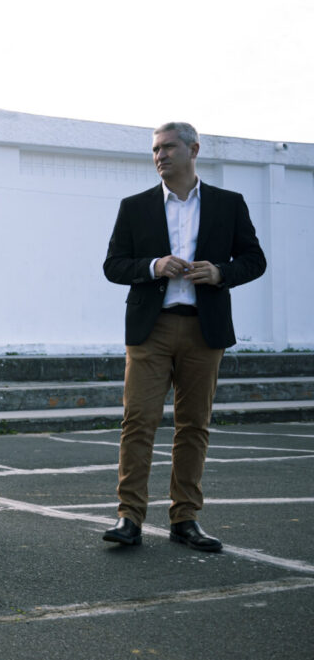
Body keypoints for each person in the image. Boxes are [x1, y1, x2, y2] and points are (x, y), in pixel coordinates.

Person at [102, 122, 266, 552]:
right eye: (155, 149)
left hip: (203, 327)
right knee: (138, 422)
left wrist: (220, 272)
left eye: (168, 147)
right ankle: (129, 517)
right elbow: (114, 265)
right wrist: (154, 266)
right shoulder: (134, 206)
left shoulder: (228, 204)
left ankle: (185, 518)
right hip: (150, 328)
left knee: (194, 425)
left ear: (193, 149)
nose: (160, 155)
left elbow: (255, 259)